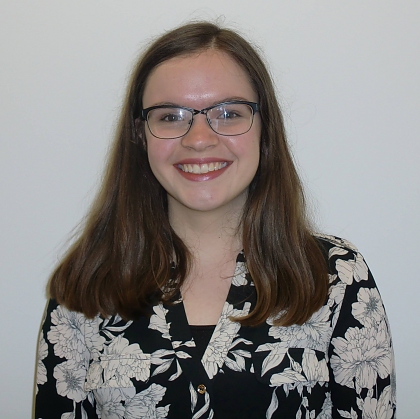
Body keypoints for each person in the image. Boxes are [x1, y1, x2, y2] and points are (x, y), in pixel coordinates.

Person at [34, 21, 396, 418]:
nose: (199, 138)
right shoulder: (87, 287)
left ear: (264, 128)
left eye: (228, 112)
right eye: (170, 116)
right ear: (141, 135)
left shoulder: (336, 278)